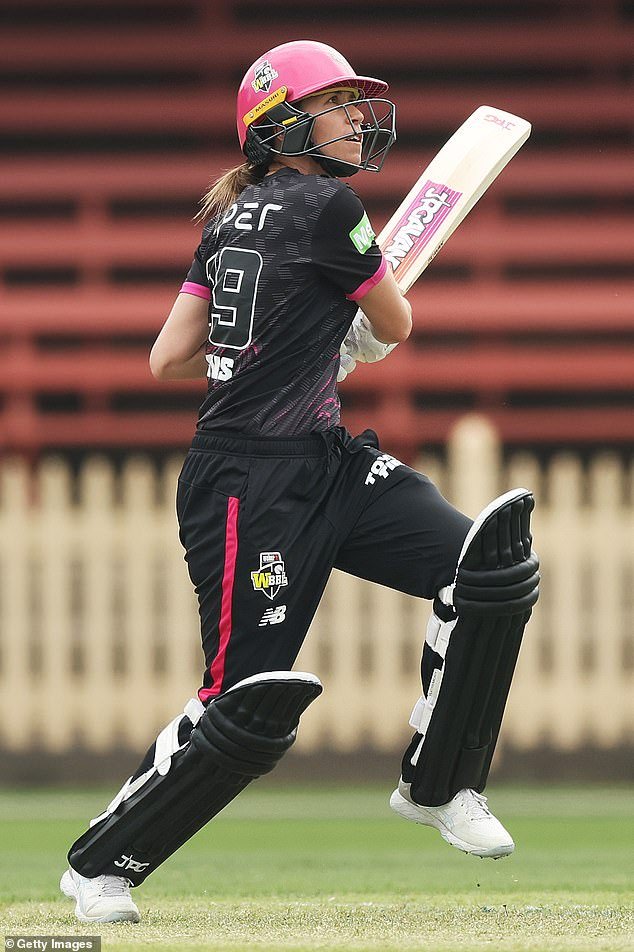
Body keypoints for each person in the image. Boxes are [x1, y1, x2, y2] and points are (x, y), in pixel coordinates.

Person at [60, 40, 539, 924]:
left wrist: (300, 342)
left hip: (322, 458)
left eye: (359, 104)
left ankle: (440, 787)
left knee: (486, 566)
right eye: (338, 104)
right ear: (283, 124)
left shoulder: (224, 222)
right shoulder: (331, 208)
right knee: (243, 705)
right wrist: (347, 336)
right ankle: (100, 865)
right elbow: (394, 320)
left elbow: (168, 356)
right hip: (251, 485)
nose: (358, 119)